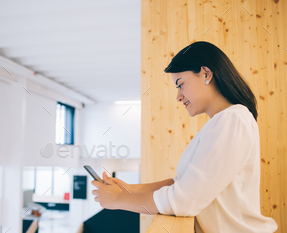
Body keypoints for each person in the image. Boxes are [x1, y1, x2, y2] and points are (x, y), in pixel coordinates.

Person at [91, 41, 278, 233]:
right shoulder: (223, 122)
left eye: (180, 85)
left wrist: (118, 200)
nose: (178, 96)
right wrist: (130, 189)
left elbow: (184, 200)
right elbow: (182, 183)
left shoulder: (233, 119)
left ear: (206, 73)